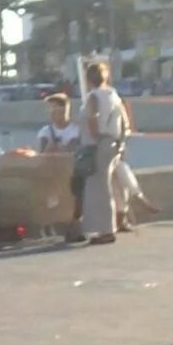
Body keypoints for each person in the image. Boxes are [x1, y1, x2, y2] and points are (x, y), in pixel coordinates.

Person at [77, 60, 130, 244]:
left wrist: (95, 137)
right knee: (108, 184)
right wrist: (121, 142)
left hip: (100, 144)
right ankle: (113, 223)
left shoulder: (93, 97)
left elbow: (93, 118)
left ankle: (106, 229)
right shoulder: (113, 95)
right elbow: (124, 121)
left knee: (99, 187)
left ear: (88, 80)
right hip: (114, 143)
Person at [31, 92, 83, 241]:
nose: (52, 113)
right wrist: (51, 149)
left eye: (56, 109)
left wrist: (59, 149)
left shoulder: (76, 130)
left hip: (72, 173)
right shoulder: (45, 132)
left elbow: (75, 150)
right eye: (50, 110)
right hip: (52, 174)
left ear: (65, 110)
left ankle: (73, 226)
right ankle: (53, 225)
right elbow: (40, 155)